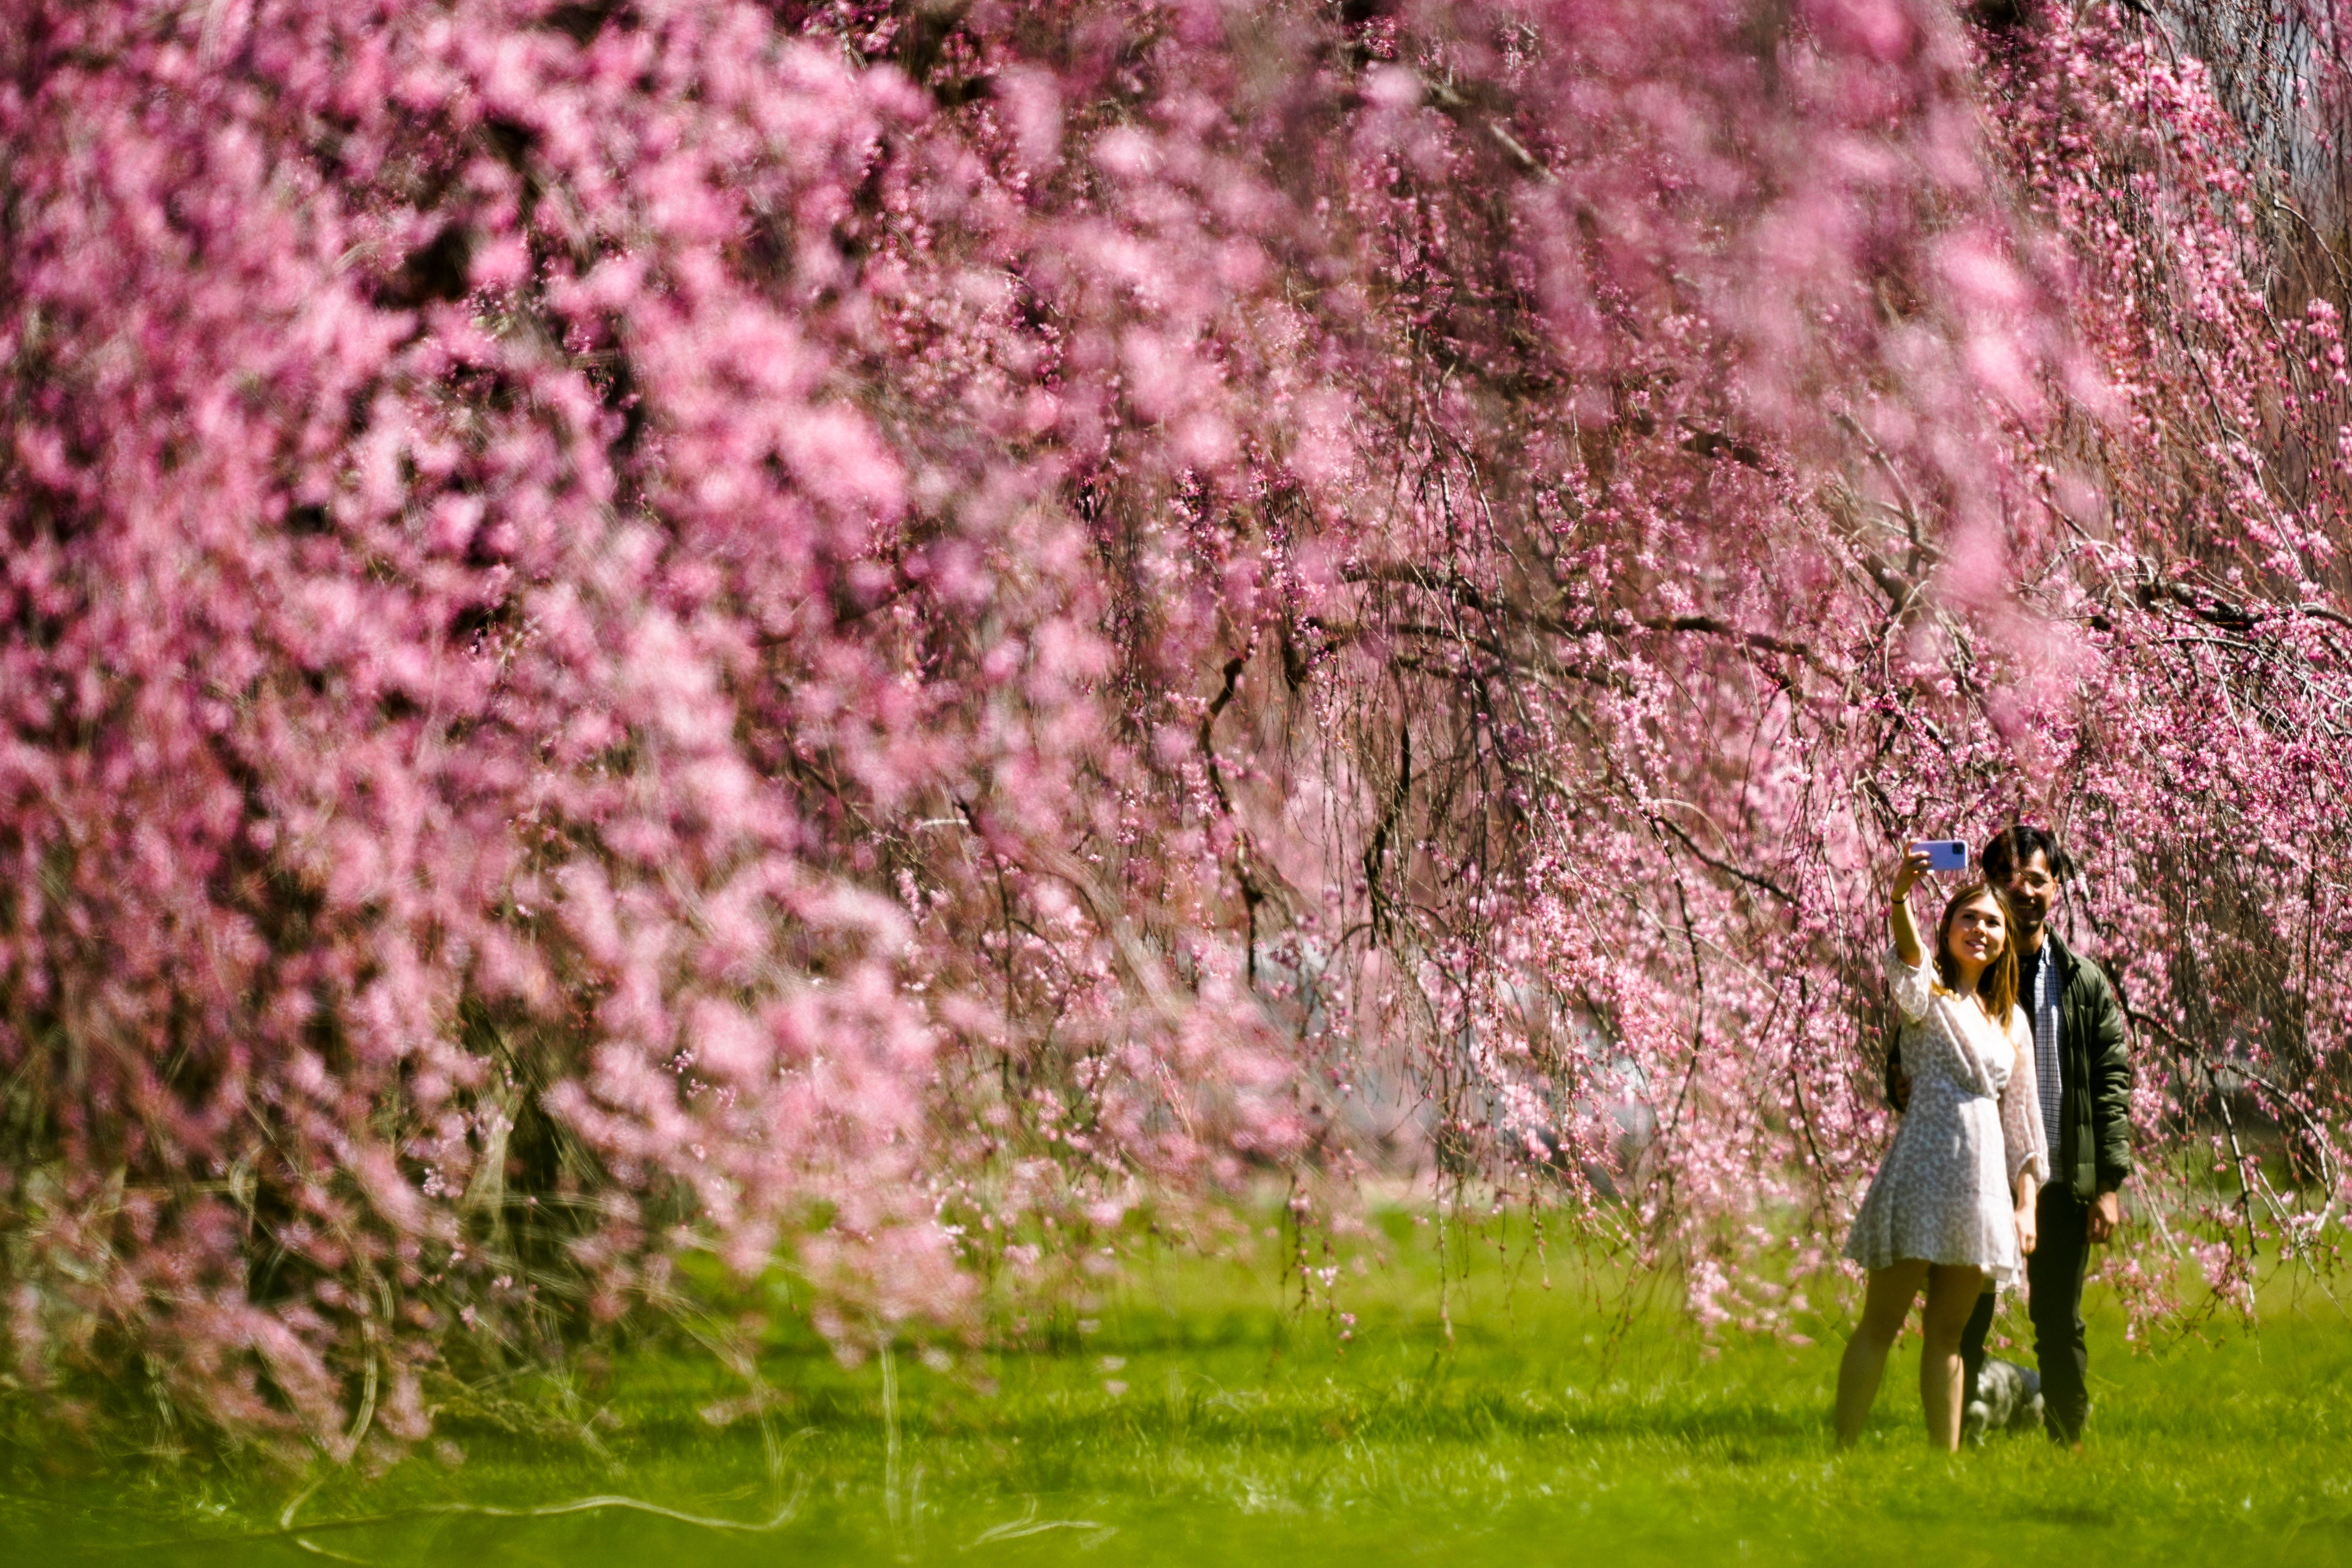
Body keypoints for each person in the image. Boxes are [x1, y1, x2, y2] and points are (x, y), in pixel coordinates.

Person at [1890, 825, 2132, 1447]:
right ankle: (1955, 1436)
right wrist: (1901, 1082)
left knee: (2058, 1319)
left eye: (2036, 880)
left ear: (2055, 889)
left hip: (2060, 1176)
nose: (2022, 892)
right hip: (1976, 1177)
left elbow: (2110, 1083)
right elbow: (1912, 1047)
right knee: (1964, 1318)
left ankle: (2067, 1444)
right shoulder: (1967, 972)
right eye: (2008, 879)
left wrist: (2108, 1183)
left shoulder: (2082, 983)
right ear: (1990, 886)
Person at [1835, 851, 2048, 1450]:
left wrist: (2026, 1203)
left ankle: (1944, 1462)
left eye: (1992, 923)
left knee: (1949, 1334)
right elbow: (1908, 954)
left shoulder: (2011, 1023)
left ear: (2007, 941)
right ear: (1948, 928)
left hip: (1979, 1190)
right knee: (1881, 1322)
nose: (1980, 931)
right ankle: (1842, 1450)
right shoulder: (1927, 995)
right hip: (1923, 1176)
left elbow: (2022, 1121)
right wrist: (1901, 895)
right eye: (1968, 919)